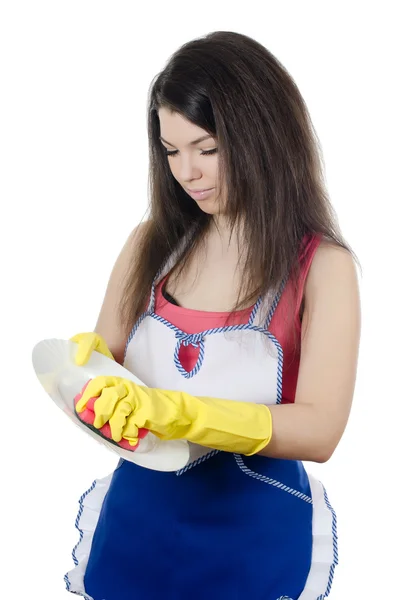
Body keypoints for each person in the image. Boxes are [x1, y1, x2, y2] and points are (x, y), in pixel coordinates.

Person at [64, 31, 361, 600]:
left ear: (261, 137)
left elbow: (322, 430)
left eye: (206, 147)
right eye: (171, 151)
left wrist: (180, 412)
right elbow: (104, 374)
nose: (187, 172)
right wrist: (85, 376)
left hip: (251, 542)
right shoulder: (150, 245)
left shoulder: (322, 267)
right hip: (135, 529)